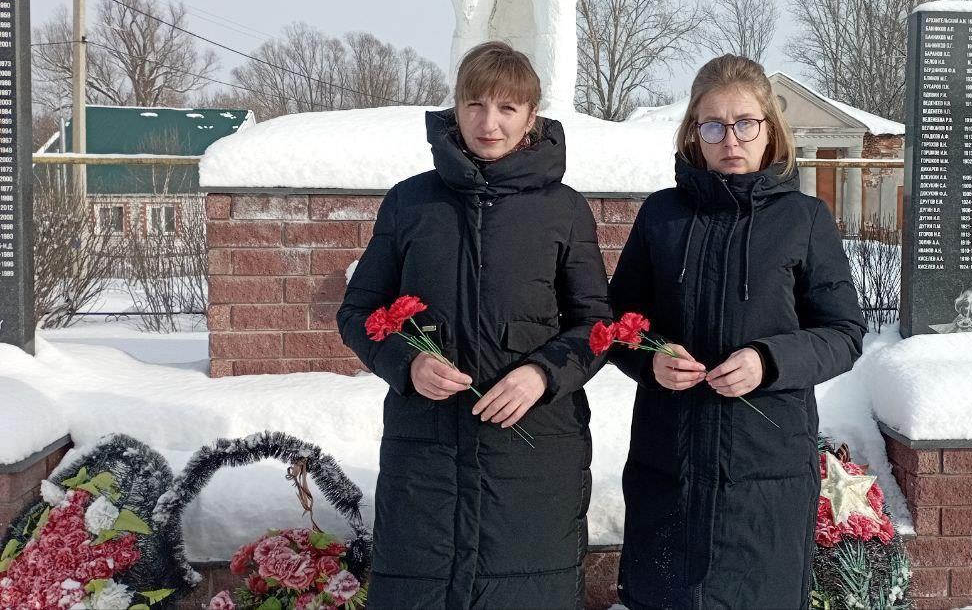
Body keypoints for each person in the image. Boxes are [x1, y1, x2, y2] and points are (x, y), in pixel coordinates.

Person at [337, 41, 610, 608]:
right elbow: (359, 312)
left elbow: (596, 326)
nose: (490, 123)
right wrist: (408, 364)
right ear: (455, 110)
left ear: (531, 117)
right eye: (476, 105)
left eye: (508, 108)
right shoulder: (410, 203)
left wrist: (541, 375)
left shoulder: (564, 209)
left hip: (533, 456)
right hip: (427, 454)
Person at [608, 54, 868, 609]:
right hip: (670, 458)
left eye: (746, 122)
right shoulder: (662, 216)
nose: (731, 138)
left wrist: (768, 362)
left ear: (769, 129)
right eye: (713, 125)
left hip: (765, 468)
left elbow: (844, 333)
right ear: (693, 134)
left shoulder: (805, 219)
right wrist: (650, 360)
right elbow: (618, 321)